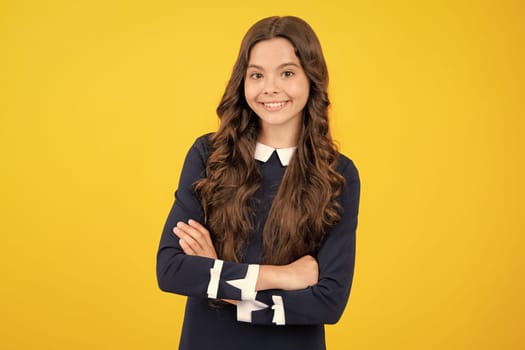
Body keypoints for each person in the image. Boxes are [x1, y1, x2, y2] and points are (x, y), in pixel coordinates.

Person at [156, 15, 360, 350]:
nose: (270, 88)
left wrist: (219, 278)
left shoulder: (338, 175)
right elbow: (172, 269)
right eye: (256, 75)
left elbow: (329, 301)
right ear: (243, 82)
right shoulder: (208, 155)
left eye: (287, 73)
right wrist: (284, 277)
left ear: (312, 79)